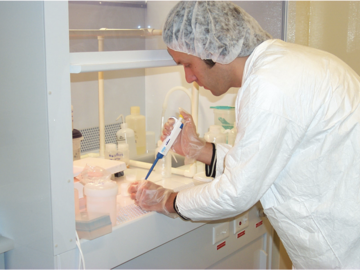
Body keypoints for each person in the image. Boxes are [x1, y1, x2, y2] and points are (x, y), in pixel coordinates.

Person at [128, 1, 360, 268]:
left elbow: (236, 192)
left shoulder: (269, 86)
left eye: (187, 64)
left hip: (342, 254)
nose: (188, 78)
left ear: (211, 50)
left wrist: (168, 200)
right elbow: (261, 162)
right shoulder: (282, 66)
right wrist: (199, 149)